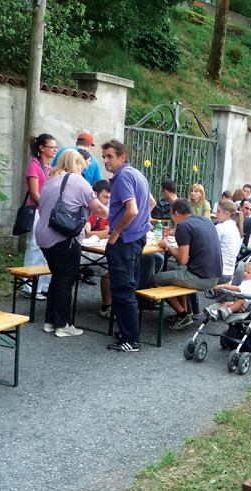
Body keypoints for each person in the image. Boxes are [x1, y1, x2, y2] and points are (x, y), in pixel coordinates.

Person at [35, 149, 109, 337]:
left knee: (58, 277)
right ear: (74, 163)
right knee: (65, 280)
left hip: (44, 237)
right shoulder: (76, 180)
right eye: (81, 166)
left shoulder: (50, 181)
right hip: (63, 237)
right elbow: (99, 208)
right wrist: (116, 215)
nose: (83, 171)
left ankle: (50, 322)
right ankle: (62, 325)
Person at [102, 139, 151, 352]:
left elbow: (131, 209)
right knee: (127, 286)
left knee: (122, 289)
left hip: (125, 240)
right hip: (137, 238)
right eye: (104, 156)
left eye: (110, 156)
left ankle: (131, 339)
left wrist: (117, 232)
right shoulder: (137, 174)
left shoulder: (123, 177)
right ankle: (127, 332)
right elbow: (151, 203)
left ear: (122, 157)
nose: (105, 161)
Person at [153, 199, 222, 330]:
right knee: (176, 269)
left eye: (172, 216)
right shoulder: (206, 220)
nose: (173, 219)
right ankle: (185, 312)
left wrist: (167, 246)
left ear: (177, 213)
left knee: (156, 279)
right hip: (215, 275)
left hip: (201, 278)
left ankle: (182, 314)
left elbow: (183, 259)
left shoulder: (183, 226)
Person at [23, 133, 57, 299]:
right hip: (38, 210)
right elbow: (34, 193)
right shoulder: (34, 165)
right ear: (42, 148)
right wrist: (46, 207)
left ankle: (44, 285)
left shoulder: (50, 167)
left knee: (47, 247)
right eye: (52, 147)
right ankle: (30, 286)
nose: (55, 150)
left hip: (47, 211)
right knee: (35, 247)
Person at [83, 179, 112, 318]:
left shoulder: (104, 211)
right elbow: (86, 232)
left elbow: (108, 231)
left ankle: (107, 305)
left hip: (95, 249)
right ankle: (107, 306)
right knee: (109, 265)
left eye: (109, 198)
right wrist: (100, 234)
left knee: (111, 265)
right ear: (95, 194)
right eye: (105, 197)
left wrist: (95, 234)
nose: (107, 201)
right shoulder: (88, 209)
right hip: (82, 251)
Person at [214, 199, 243, 283]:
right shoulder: (237, 229)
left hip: (218, 273)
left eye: (218, 211)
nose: (216, 214)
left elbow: (209, 247)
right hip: (230, 273)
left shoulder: (221, 227)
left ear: (227, 213)